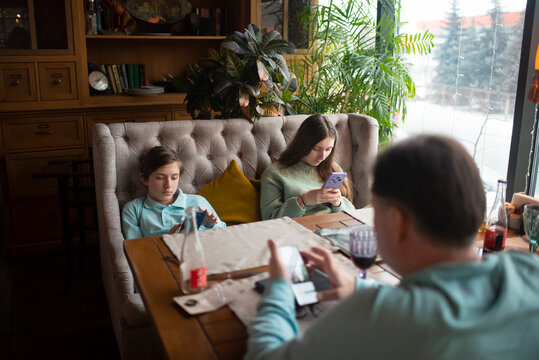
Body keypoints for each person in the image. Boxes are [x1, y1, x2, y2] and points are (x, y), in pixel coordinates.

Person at [246, 135, 539, 359]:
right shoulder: (529, 272)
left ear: (397, 223)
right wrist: (358, 288)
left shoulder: (378, 317)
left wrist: (279, 287)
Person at [260, 114, 356, 220]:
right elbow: (270, 219)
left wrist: (338, 203)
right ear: (303, 144)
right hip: (303, 231)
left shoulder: (332, 168)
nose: (323, 156)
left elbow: (353, 215)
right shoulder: (274, 173)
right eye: (317, 148)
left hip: (337, 226)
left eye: (328, 149)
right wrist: (303, 201)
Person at [121, 146, 225, 239]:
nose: (168, 185)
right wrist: (167, 241)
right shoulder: (134, 209)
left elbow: (224, 233)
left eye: (174, 178)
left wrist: (211, 224)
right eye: (160, 178)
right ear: (144, 179)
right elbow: (135, 249)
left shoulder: (197, 201)